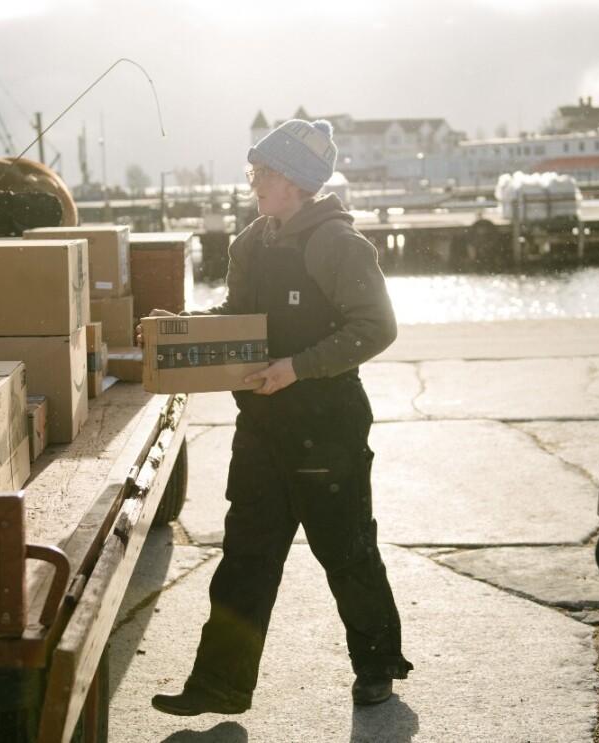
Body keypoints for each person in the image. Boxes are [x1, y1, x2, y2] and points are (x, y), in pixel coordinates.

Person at [148, 118, 412, 716]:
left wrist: (299, 365)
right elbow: (240, 315)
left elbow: (377, 327)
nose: (253, 184)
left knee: (345, 550)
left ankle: (377, 665)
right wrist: (184, 326)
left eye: (261, 174)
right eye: (254, 173)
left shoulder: (338, 244)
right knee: (246, 553)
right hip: (263, 424)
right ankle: (219, 685)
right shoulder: (250, 243)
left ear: (293, 181)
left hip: (329, 425)